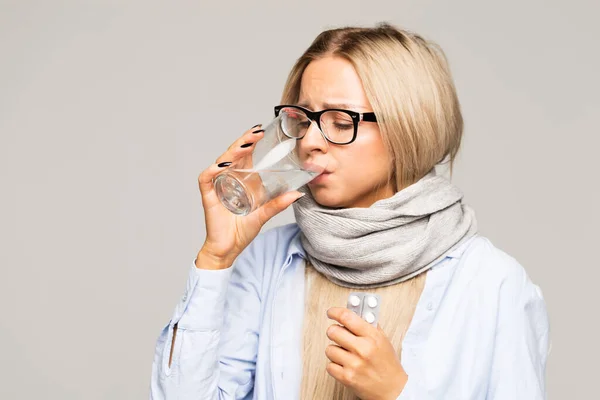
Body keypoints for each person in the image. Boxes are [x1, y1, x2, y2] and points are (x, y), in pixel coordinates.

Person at [149, 23, 549, 400]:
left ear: (409, 128)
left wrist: (397, 393)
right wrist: (216, 259)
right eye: (303, 120)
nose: (310, 142)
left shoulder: (491, 283)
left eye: (341, 122)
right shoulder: (269, 259)